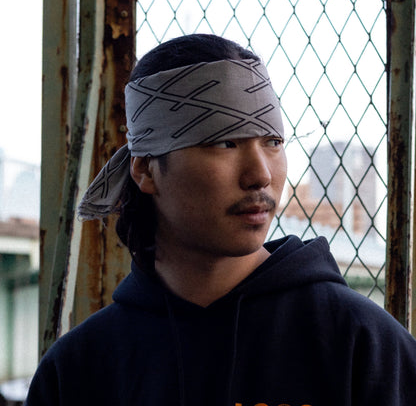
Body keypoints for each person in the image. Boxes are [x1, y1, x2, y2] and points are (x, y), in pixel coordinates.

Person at [26, 34, 416, 406]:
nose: (261, 174)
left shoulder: (363, 345)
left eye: (272, 142)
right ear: (145, 170)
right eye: (224, 142)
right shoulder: (78, 369)